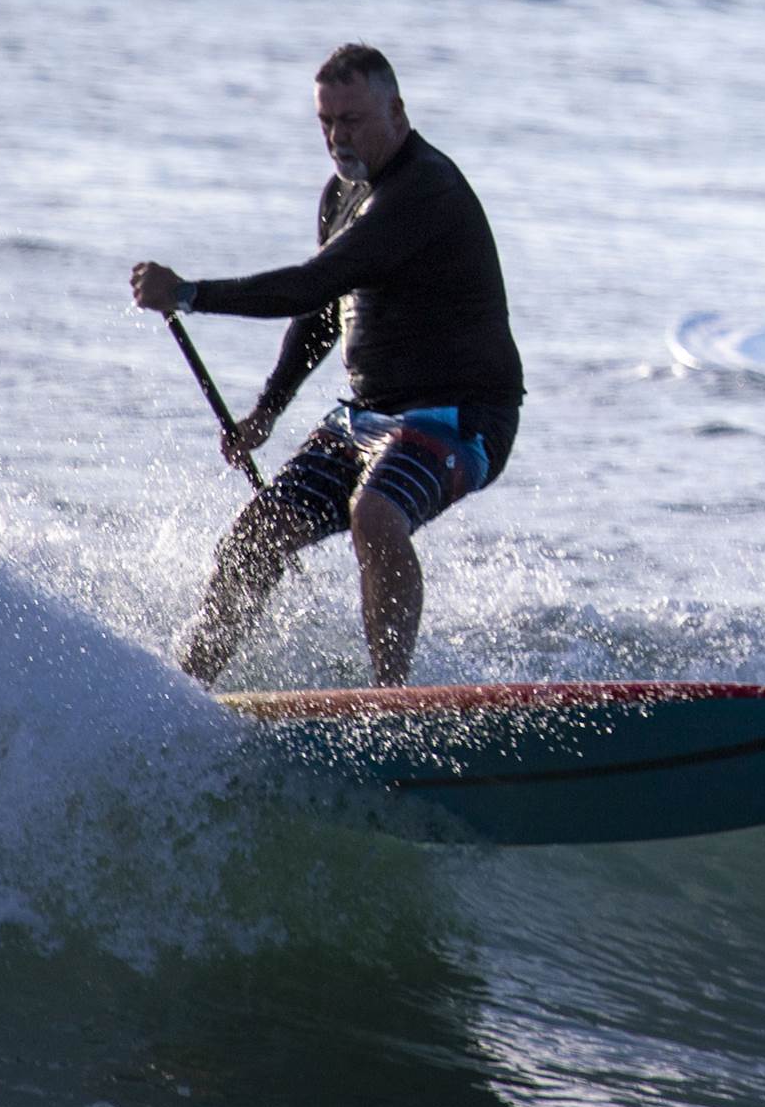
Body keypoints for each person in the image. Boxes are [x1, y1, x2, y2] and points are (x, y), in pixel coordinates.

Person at [130, 43, 524, 686]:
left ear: (397, 112)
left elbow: (309, 284)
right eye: (327, 122)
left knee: (375, 513)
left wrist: (191, 294)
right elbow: (322, 313)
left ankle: (390, 701)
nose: (338, 137)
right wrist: (267, 410)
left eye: (353, 120)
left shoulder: (424, 190)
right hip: (367, 418)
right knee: (255, 538)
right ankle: (186, 691)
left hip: (461, 418)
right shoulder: (341, 195)